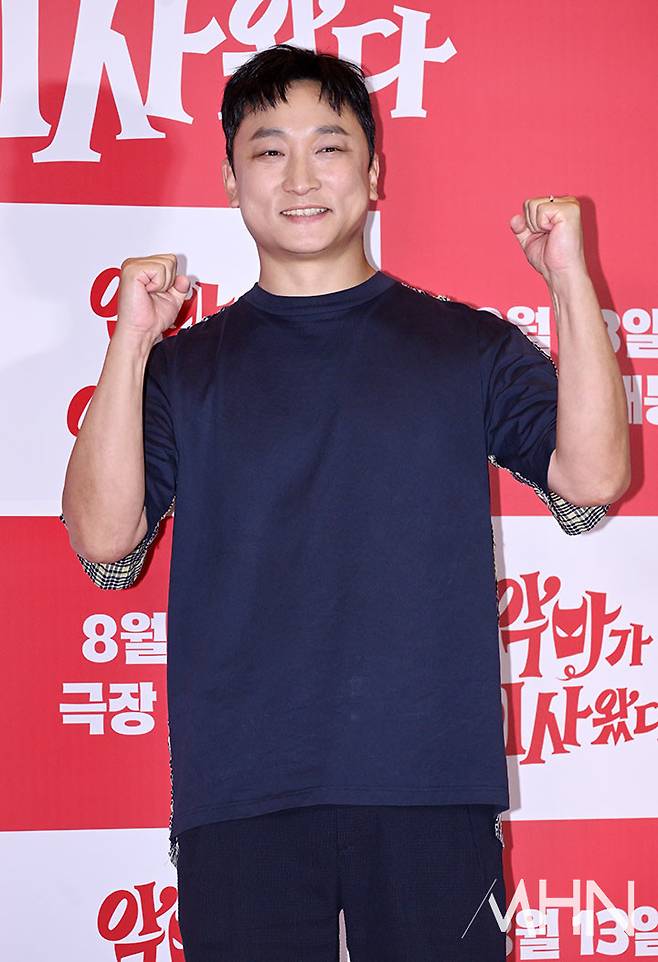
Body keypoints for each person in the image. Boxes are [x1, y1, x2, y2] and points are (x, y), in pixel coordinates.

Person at [60, 43, 630, 962]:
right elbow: (103, 539)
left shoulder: (465, 345)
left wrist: (570, 278)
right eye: (268, 150)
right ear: (230, 179)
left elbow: (592, 478)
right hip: (241, 791)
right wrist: (129, 343)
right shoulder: (181, 369)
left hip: (431, 784)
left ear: (372, 173)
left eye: (328, 147)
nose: (299, 178)